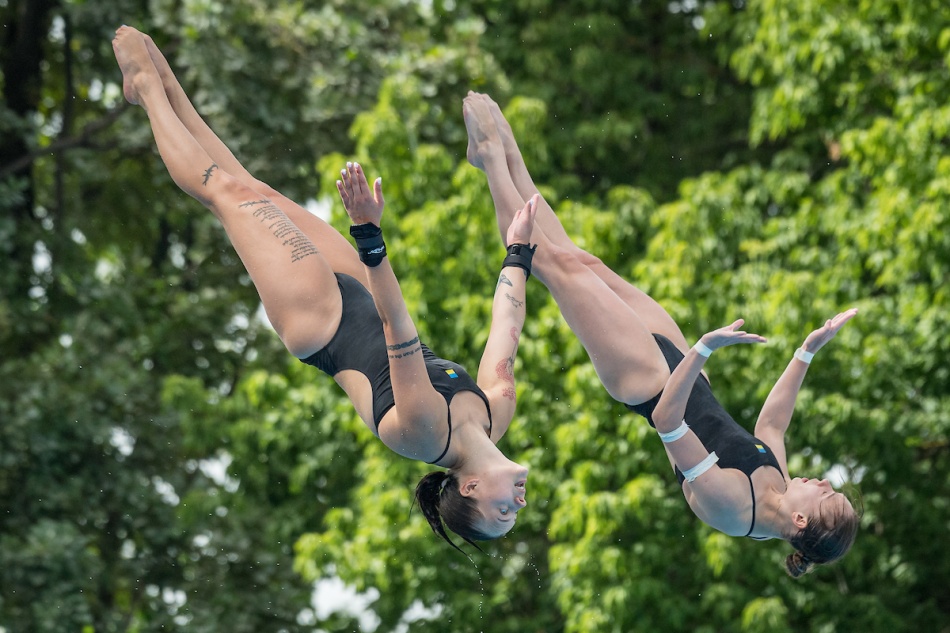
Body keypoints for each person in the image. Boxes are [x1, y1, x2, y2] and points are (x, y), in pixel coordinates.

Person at [111, 26, 537, 552]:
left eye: (501, 511)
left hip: (322, 322)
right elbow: (506, 332)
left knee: (226, 192)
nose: (518, 503)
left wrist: (370, 237)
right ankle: (165, 81)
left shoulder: (428, 436)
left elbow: (397, 330)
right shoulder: (495, 416)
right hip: (358, 293)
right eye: (514, 511)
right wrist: (519, 252)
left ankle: (146, 89)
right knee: (251, 188)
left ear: (468, 487)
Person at [462, 91, 860, 577]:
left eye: (825, 492)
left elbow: (670, 420)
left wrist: (704, 349)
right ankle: (503, 152)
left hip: (648, 382)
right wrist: (806, 352)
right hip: (683, 365)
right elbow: (771, 426)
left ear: (800, 521)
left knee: (553, 264)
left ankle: (489, 157)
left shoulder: (734, 509)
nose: (821, 480)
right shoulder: (778, 484)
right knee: (581, 260)